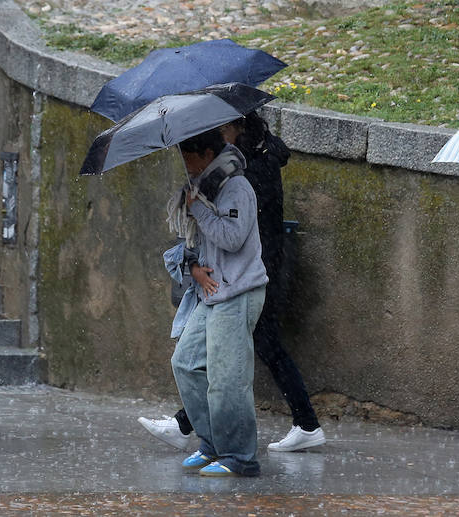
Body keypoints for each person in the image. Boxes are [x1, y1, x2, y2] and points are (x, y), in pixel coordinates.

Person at [139, 113, 325, 452]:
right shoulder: (225, 171)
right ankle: (201, 429)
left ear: (239, 127)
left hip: (252, 273)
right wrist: (193, 258)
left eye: (221, 128)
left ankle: (233, 439)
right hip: (231, 274)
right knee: (216, 359)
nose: (216, 133)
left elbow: (235, 233)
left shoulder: (246, 174)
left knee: (245, 360)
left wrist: (205, 205)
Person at [168, 128, 268, 477]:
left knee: (228, 378)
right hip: (211, 293)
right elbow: (194, 242)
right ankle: (212, 443)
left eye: (189, 157)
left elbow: (232, 237)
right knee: (186, 363)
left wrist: (201, 212)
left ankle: (240, 455)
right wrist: (193, 267)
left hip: (238, 291)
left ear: (207, 154)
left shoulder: (237, 187)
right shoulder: (203, 187)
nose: (185, 164)